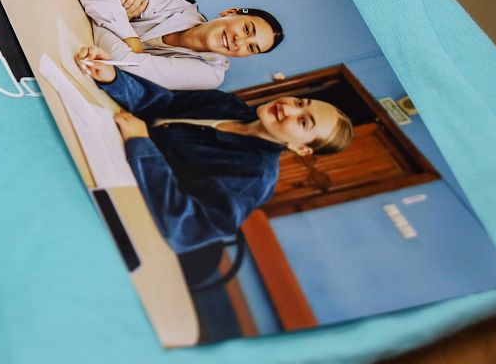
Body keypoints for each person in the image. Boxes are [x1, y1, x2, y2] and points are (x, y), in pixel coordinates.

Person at [75, 47, 353, 252]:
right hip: (102, 139)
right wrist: (113, 78)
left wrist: (141, 143)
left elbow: (183, 229)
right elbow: (161, 104)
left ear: (302, 149)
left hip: (111, 197)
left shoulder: (255, 178)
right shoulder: (229, 105)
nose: (289, 108)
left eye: (303, 121)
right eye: (301, 102)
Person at [76, 0, 284, 90]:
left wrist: (118, 19)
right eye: (247, 29)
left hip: (82, 77)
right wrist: (130, 39)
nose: (240, 41)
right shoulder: (179, 7)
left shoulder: (210, 75)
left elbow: (122, 65)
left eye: (251, 47)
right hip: (74, 37)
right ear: (229, 13)